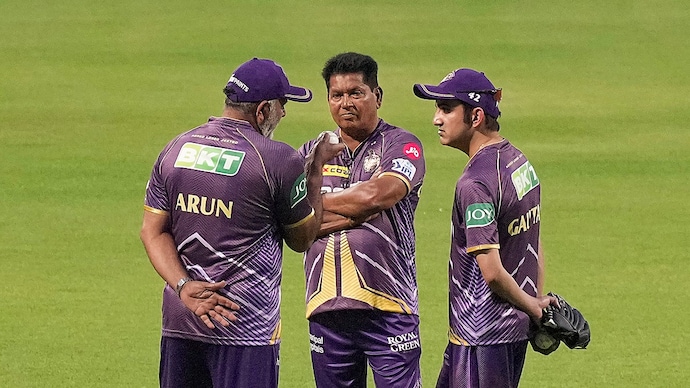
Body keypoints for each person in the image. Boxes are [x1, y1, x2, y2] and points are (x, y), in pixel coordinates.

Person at [140, 57, 344, 388]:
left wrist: (184, 286)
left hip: (182, 318)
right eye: (282, 104)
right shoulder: (277, 159)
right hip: (245, 328)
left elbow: (152, 231)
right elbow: (303, 238)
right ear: (262, 110)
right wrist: (315, 170)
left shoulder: (176, 148)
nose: (285, 113)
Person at [412, 68, 559, 388]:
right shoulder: (519, 162)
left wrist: (533, 306)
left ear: (476, 115)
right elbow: (533, 239)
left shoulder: (475, 182)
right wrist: (532, 304)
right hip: (508, 329)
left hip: (481, 334)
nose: (436, 118)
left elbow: (490, 272)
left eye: (446, 109)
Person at [297, 52, 426, 388]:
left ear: (377, 96)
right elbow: (292, 225)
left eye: (356, 93)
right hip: (327, 310)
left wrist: (317, 208)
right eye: (337, 95)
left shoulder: (401, 144)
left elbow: (378, 196)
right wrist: (354, 215)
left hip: (389, 306)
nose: (346, 103)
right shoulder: (311, 153)